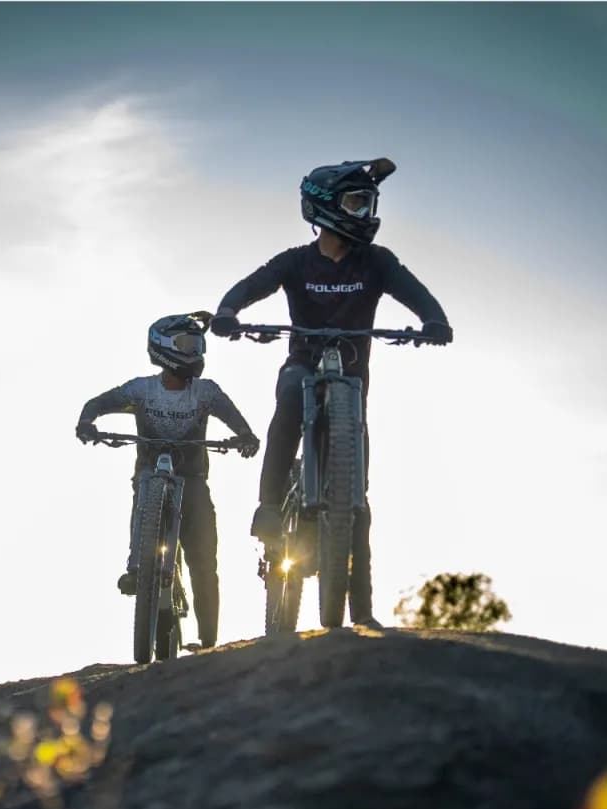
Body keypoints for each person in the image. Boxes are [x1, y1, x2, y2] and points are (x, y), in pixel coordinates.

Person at [209, 158, 453, 630]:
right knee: (288, 399)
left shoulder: (378, 263)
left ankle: (359, 612)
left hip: (352, 381)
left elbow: (418, 295)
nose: (365, 213)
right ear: (325, 208)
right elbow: (250, 284)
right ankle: (267, 506)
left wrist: (435, 321)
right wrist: (227, 311)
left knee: (356, 496)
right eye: (356, 203)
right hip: (301, 363)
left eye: (368, 203)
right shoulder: (295, 262)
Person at [75, 312, 260, 649]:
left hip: (193, 480)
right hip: (150, 473)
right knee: (144, 486)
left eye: (198, 344)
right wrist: (87, 421)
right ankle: (137, 566)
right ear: (163, 348)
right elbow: (98, 402)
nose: (196, 352)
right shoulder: (142, 390)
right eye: (188, 345)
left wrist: (245, 435)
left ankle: (208, 641)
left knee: (203, 558)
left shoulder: (206, 393)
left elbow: (233, 416)